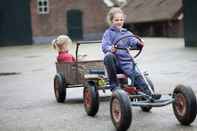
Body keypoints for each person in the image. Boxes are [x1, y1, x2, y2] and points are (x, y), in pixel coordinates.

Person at [101, 7, 153, 96]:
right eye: (116, 20)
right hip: (114, 62)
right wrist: (110, 48)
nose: (119, 22)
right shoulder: (108, 33)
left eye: (121, 20)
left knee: (137, 75)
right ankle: (114, 86)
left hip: (126, 62)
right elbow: (105, 46)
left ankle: (148, 94)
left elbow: (133, 41)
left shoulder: (127, 33)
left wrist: (139, 43)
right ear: (111, 21)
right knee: (108, 56)